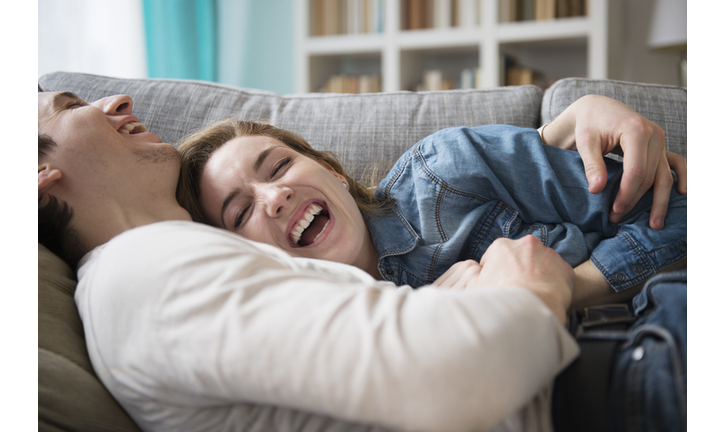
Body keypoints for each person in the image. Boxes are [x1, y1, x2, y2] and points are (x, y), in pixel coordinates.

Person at [38, 89, 684, 432]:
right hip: (620, 376)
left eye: (281, 166)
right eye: (71, 108)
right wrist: (537, 286)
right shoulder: (143, 274)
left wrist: (564, 128)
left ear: (335, 171)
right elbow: (451, 373)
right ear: (37, 174)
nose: (115, 102)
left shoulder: (173, 261)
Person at [175, 96, 686, 309]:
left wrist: (567, 286)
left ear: (330, 170)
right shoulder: (307, 337)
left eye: (279, 167)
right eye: (240, 212)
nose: (275, 196)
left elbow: (685, 210)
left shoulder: (445, 171)